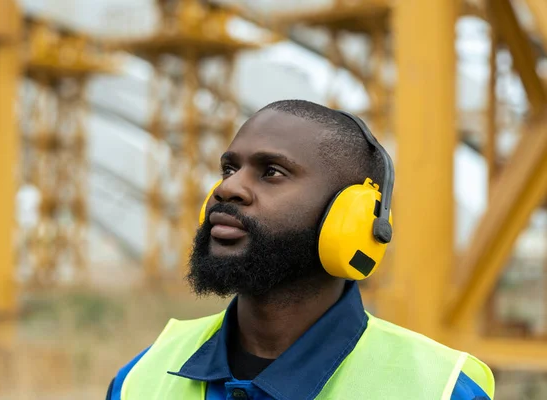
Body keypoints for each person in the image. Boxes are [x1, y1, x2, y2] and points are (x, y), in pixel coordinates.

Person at [106, 100, 495, 400]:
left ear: (351, 218)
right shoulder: (140, 379)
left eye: (271, 172)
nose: (227, 189)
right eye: (228, 169)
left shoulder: (438, 390)